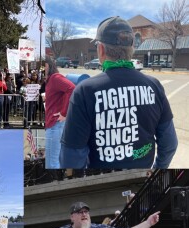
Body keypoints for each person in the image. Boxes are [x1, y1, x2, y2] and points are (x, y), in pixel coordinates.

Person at [60, 16, 178, 169]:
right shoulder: (154, 86)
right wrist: (157, 169)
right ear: (132, 48)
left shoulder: (84, 91)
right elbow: (169, 144)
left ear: (101, 49)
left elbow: (72, 157)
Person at [43, 57, 75, 169]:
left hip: (55, 125)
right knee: (53, 161)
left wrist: (64, 113)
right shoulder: (48, 81)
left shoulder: (55, 78)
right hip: (52, 125)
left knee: (52, 163)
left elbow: (72, 88)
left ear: (49, 65)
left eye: (43, 65)